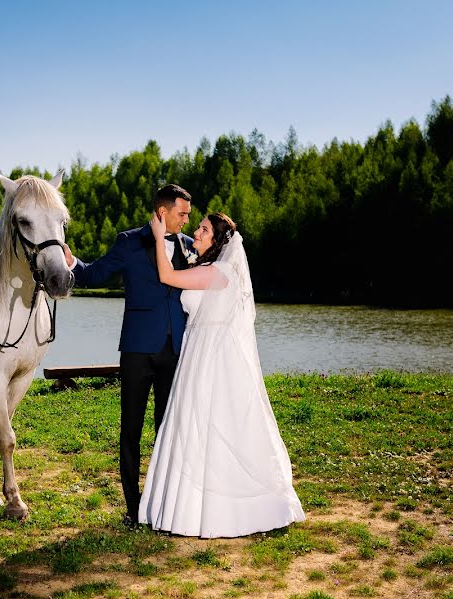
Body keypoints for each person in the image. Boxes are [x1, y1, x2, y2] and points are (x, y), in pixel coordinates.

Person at [140, 211, 305, 538]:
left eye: (203, 230)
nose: (196, 234)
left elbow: (167, 276)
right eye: (198, 228)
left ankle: (237, 509)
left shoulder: (219, 272)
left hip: (211, 357)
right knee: (196, 426)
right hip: (200, 351)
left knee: (215, 425)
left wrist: (160, 237)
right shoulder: (207, 269)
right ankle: (187, 508)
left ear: (218, 242)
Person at [63, 184, 194, 527]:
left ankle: (165, 502)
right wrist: (72, 261)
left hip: (175, 351)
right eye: (182, 214)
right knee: (131, 430)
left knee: (168, 430)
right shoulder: (128, 242)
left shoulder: (188, 246)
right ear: (163, 212)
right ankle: (133, 508)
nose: (186, 220)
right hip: (137, 349)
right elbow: (95, 274)